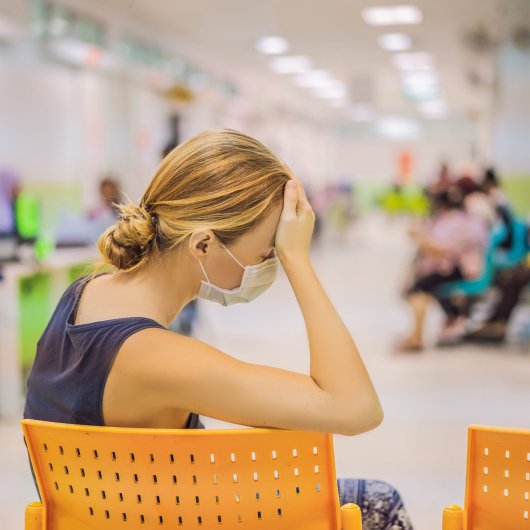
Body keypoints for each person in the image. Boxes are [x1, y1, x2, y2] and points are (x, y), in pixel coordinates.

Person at [23, 129, 414, 528]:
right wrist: (298, 260)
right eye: (267, 253)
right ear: (203, 245)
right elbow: (357, 408)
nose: (269, 266)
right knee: (379, 503)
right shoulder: (156, 358)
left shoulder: (81, 294)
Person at [398, 185, 489, 351]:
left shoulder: (455, 222)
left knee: (418, 290)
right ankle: (417, 334)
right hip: (455, 267)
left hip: (458, 269)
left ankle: (416, 336)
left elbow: (441, 251)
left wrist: (419, 237)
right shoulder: (464, 220)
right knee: (420, 286)